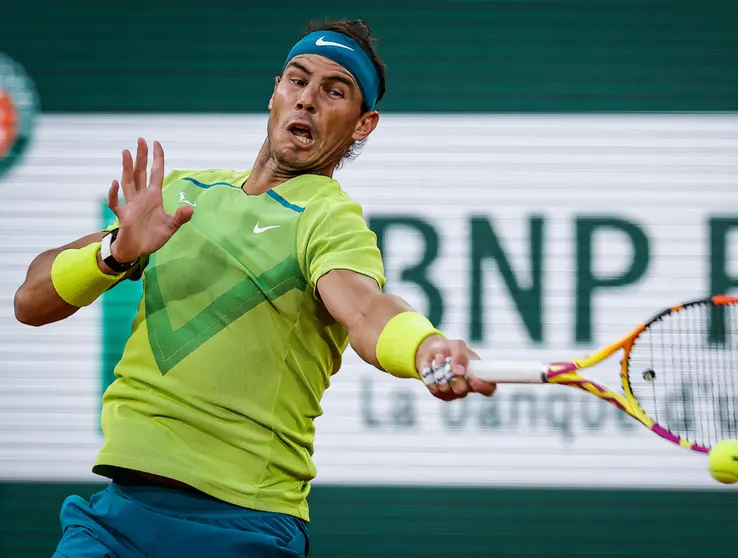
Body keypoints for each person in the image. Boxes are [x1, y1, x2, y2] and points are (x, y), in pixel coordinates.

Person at [13, 18, 496, 558]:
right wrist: (115, 254)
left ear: (363, 125)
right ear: (275, 91)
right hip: (117, 516)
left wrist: (423, 346)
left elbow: (365, 311)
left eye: (334, 91)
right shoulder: (182, 195)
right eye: (297, 80)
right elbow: (29, 303)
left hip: (242, 526)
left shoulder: (328, 220)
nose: (308, 100)